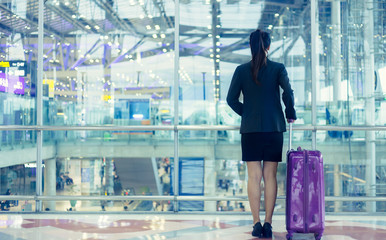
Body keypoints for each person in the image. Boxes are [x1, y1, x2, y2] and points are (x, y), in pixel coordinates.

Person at [226, 29, 296, 238]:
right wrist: (289, 112)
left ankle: (256, 223)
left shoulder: (240, 70)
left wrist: (246, 113)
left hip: (251, 130)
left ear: (250, 46)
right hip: (273, 128)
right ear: (268, 46)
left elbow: (231, 100)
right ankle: (268, 224)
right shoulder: (277, 68)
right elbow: (288, 92)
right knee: (270, 177)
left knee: (253, 177)